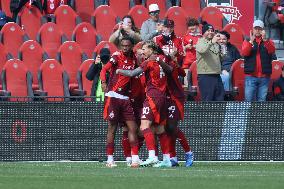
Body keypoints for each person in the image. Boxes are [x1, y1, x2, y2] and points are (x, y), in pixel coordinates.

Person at [116, 41, 172, 167]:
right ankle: (167, 159)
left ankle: (152, 156)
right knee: (159, 129)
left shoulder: (149, 62)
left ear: (152, 49)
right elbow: (170, 70)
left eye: (145, 48)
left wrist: (119, 70)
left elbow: (132, 73)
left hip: (152, 97)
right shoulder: (162, 58)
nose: (143, 51)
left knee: (144, 126)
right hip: (163, 97)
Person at [99, 37, 141, 168]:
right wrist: (104, 82)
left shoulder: (134, 58)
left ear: (132, 46)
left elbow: (139, 70)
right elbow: (104, 69)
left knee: (132, 128)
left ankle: (134, 159)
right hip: (113, 96)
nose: (125, 48)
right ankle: (110, 159)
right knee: (112, 128)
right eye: (123, 45)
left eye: (127, 46)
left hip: (125, 98)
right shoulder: (116, 57)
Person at [241, 19, 275, 101]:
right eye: (255, 28)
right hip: (251, 76)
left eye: (259, 29)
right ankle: (249, 114)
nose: (257, 30)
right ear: (252, 29)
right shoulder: (247, 40)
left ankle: (260, 114)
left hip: (264, 77)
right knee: (248, 101)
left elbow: (272, 51)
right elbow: (244, 53)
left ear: (263, 30)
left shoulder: (268, 41)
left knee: (262, 101)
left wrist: (265, 40)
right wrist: (251, 42)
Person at [196, 22, 226, 101]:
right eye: (208, 30)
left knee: (219, 99)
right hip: (206, 76)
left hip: (216, 75)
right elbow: (202, 50)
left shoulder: (215, 43)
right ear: (203, 33)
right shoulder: (200, 41)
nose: (210, 32)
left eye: (212, 30)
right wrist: (212, 42)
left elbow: (219, 58)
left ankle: (218, 114)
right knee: (208, 100)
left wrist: (223, 49)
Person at [182, 17, 202, 88]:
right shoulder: (185, 37)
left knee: (198, 84)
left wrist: (198, 47)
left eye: (193, 25)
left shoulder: (201, 37)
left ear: (197, 26)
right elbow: (180, 50)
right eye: (190, 26)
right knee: (187, 84)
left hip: (199, 64)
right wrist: (186, 47)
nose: (192, 27)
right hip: (187, 64)